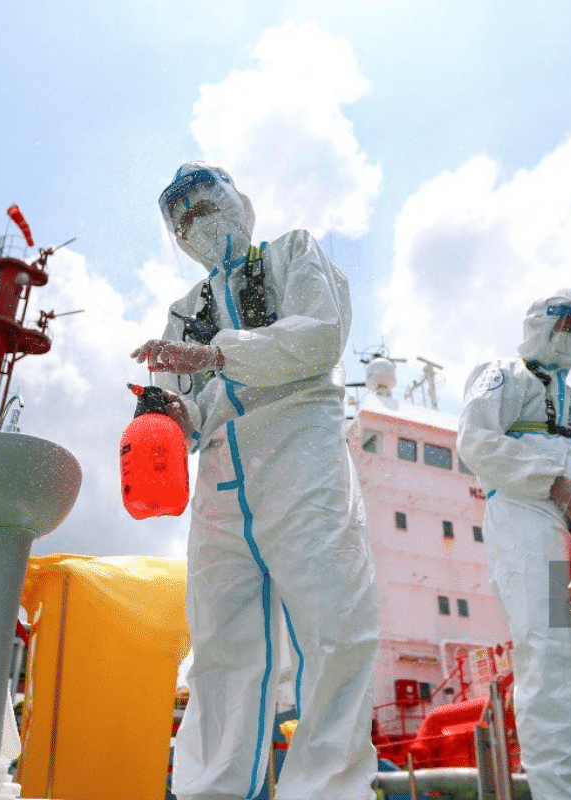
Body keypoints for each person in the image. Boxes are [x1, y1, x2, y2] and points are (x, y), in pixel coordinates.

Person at [132, 162, 380, 800]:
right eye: (180, 216)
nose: (194, 220)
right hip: (220, 471)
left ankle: (326, 791)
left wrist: (219, 355)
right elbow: (184, 400)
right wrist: (169, 416)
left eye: (204, 203)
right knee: (219, 647)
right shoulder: (184, 311)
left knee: (333, 628)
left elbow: (320, 338)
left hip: (299, 449)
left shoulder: (293, 252)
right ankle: (211, 792)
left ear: (237, 201)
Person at [456, 289, 571, 800]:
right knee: (559, 658)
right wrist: (554, 481)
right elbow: (476, 441)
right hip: (530, 513)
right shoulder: (502, 374)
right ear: (541, 325)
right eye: (568, 326)